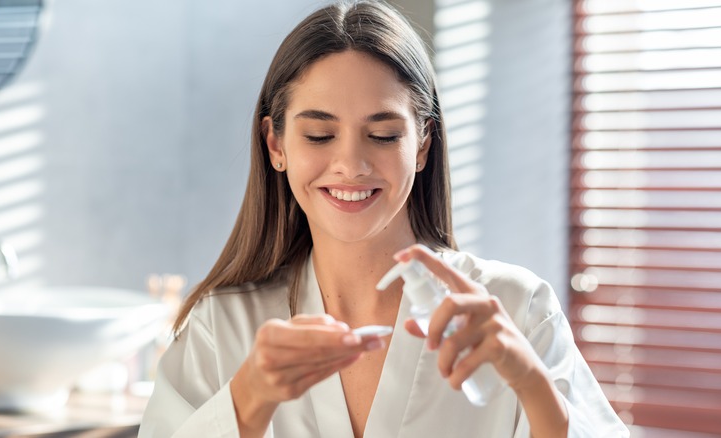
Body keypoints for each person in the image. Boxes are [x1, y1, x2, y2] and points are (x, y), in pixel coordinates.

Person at [138, 1, 629, 437]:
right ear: (275, 144)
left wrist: (530, 383)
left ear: (423, 144)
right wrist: (246, 400)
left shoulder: (516, 309)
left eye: (384, 135)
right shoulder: (220, 328)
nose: (351, 164)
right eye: (319, 136)